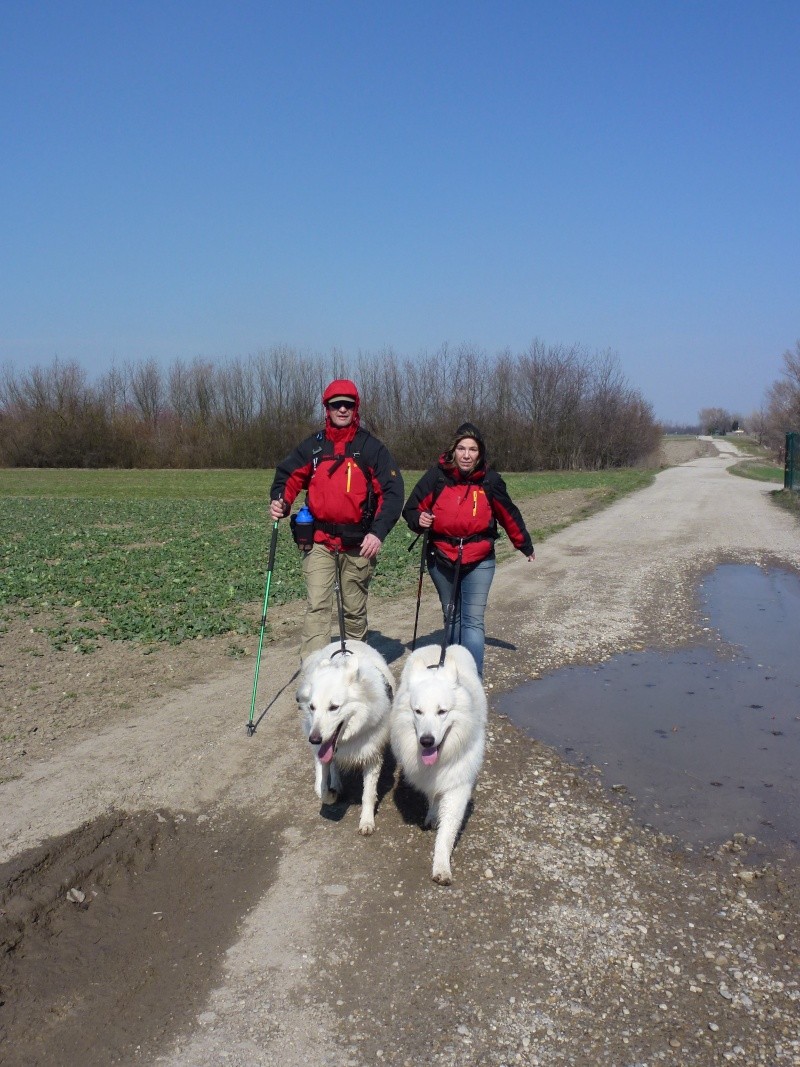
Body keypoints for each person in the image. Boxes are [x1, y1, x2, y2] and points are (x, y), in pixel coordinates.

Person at [270, 379, 404, 660]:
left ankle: (354, 671)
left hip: (358, 543)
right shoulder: (314, 447)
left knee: (353, 611)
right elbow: (289, 475)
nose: (342, 409)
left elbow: (392, 493)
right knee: (318, 605)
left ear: (356, 408)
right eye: (336, 404)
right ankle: (315, 674)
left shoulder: (370, 448)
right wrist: (281, 501)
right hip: (318, 541)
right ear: (326, 409)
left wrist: (377, 533)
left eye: (348, 404)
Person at [402, 422, 534, 677]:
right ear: (453, 451)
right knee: (451, 618)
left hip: (479, 559)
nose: (466, 454)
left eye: (472, 449)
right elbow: (411, 509)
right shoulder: (436, 477)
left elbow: (509, 515)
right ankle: (451, 678)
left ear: (480, 453)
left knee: (472, 622)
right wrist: (419, 519)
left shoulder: (490, 481)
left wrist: (524, 545)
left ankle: (472, 683)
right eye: (461, 448)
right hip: (441, 557)